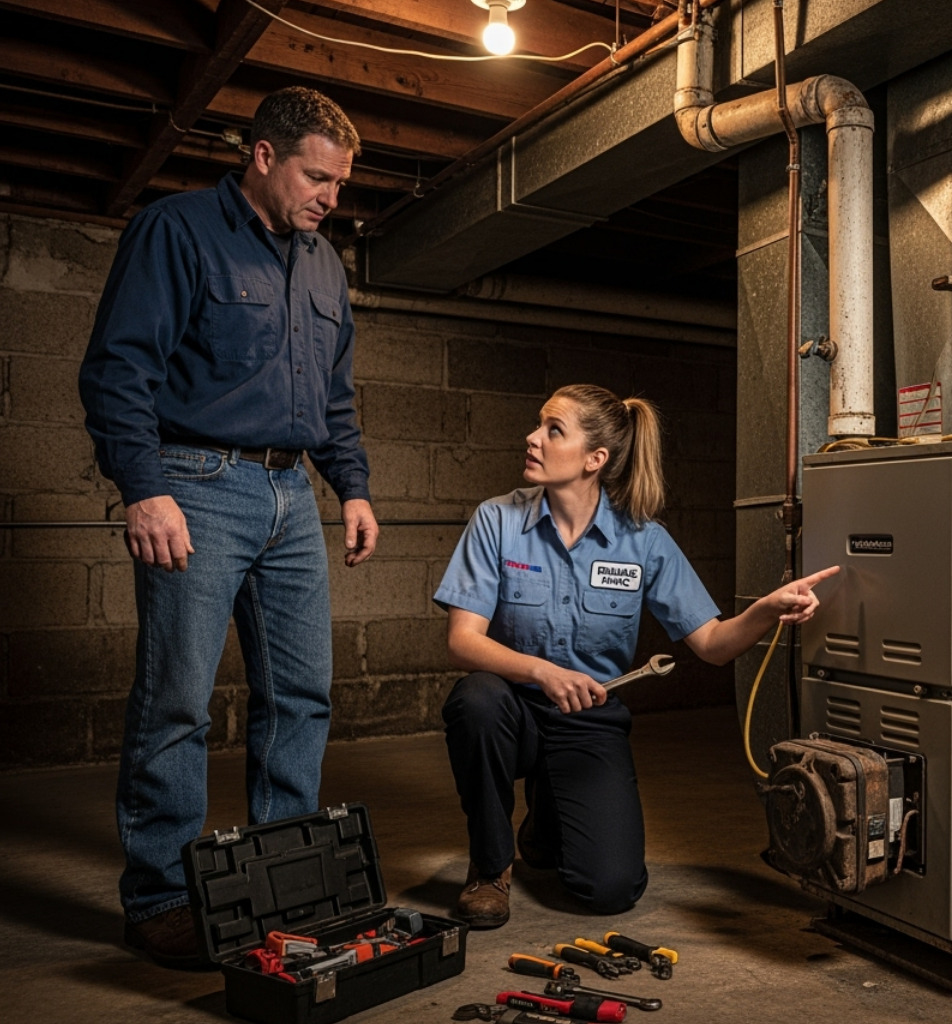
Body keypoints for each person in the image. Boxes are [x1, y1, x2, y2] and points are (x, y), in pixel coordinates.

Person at [77, 87, 378, 968]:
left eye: (339, 182)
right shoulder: (176, 230)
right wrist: (144, 488)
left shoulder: (322, 263)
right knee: (176, 698)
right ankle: (162, 897)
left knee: (302, 696)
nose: (330, 197)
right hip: (195, 485)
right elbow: (118, 371)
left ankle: (285, 877)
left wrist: (351, 488)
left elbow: (333, 398)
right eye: (316, 176)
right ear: (261, 156)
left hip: (293, 500)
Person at [435, 384, 837, 927]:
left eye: (553, 430)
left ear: (594, 459)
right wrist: (543, 672)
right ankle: (489, 866)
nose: (532, 437)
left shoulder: (643, 541)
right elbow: (462, 641)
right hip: (513, 711)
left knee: (611, 890)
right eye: (539, 425)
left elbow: (713, 646)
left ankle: (546, 824)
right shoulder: (497, 520)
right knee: (475, 702)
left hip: (589, 720)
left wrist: (766, 609)